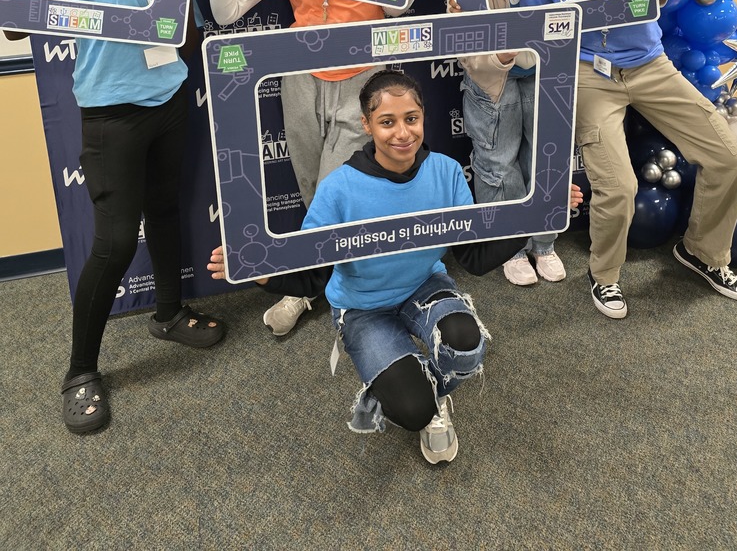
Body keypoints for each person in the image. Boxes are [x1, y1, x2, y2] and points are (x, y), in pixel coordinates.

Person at [209, 69, 538, 464]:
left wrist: (538, 220)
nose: (402, 133)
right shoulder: (338, 188)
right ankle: (424, 396)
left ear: (423, 118)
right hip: (363, 307)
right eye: (387, 122)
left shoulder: (446, 172)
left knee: (466, 344)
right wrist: (264, 272)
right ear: (366, 125)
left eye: (411, 119)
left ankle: (432, 387)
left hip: (423, 285)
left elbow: (474, 258)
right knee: (414, 410)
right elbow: (316, 272)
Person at [2, 0, 225, 435]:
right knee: (116, 241)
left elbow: (188, 40)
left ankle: (170, 312)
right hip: (110, 112)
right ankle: (80, 372)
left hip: (170, 101)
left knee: (167, 210)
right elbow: (14, 26)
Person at [200, 0, 430, 337]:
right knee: (309, 186)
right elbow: (226, 12)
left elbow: (394, 10)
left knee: (334, 189)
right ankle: (324, 279)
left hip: (364, 74)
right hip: (300, 73)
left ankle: (303, 288)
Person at [519, 0, 737, 318]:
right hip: (592, 74)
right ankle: (604, 276)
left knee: (728, 157)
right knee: (619, 186)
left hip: (651, 63)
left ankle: (703, 252)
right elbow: (536, 47)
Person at [448, 0, 567, 286]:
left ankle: (544, 242)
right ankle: (511, 245)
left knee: (545, 158)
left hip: (544, 73)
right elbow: (460, 36)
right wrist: (497, 55)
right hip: (492, 80)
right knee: (497, 165)